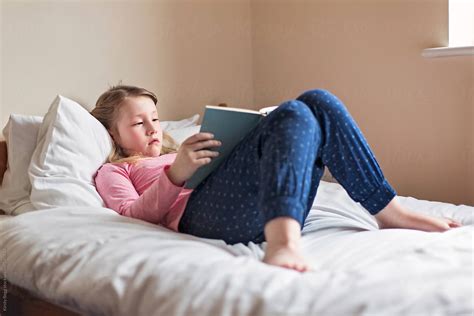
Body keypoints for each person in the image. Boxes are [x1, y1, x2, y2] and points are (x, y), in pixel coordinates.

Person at [91, 85, 462, 273]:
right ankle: (283, 242)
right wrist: (177, 174)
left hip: (252, 200)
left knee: (315, 101)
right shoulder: (116, 170)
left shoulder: (181, 146)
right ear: (113, 134)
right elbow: (131, 215)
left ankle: (388, 209)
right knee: (291, 114)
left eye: (155, 118)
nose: (153, 129)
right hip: (204, 217)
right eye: (138, 123)